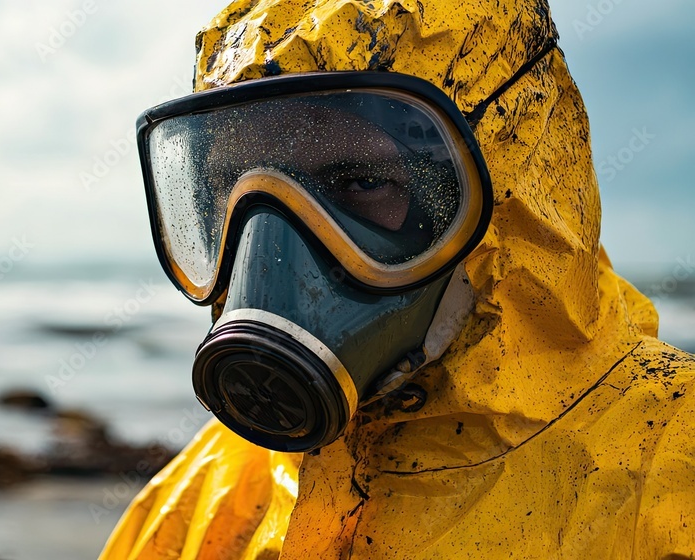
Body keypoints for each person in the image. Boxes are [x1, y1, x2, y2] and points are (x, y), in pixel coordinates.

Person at [101, 0, 695, 557]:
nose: (271, 254)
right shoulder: (202, 500)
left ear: (504, 194)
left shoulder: (672, 471)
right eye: (231, 191)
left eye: (360, 182)